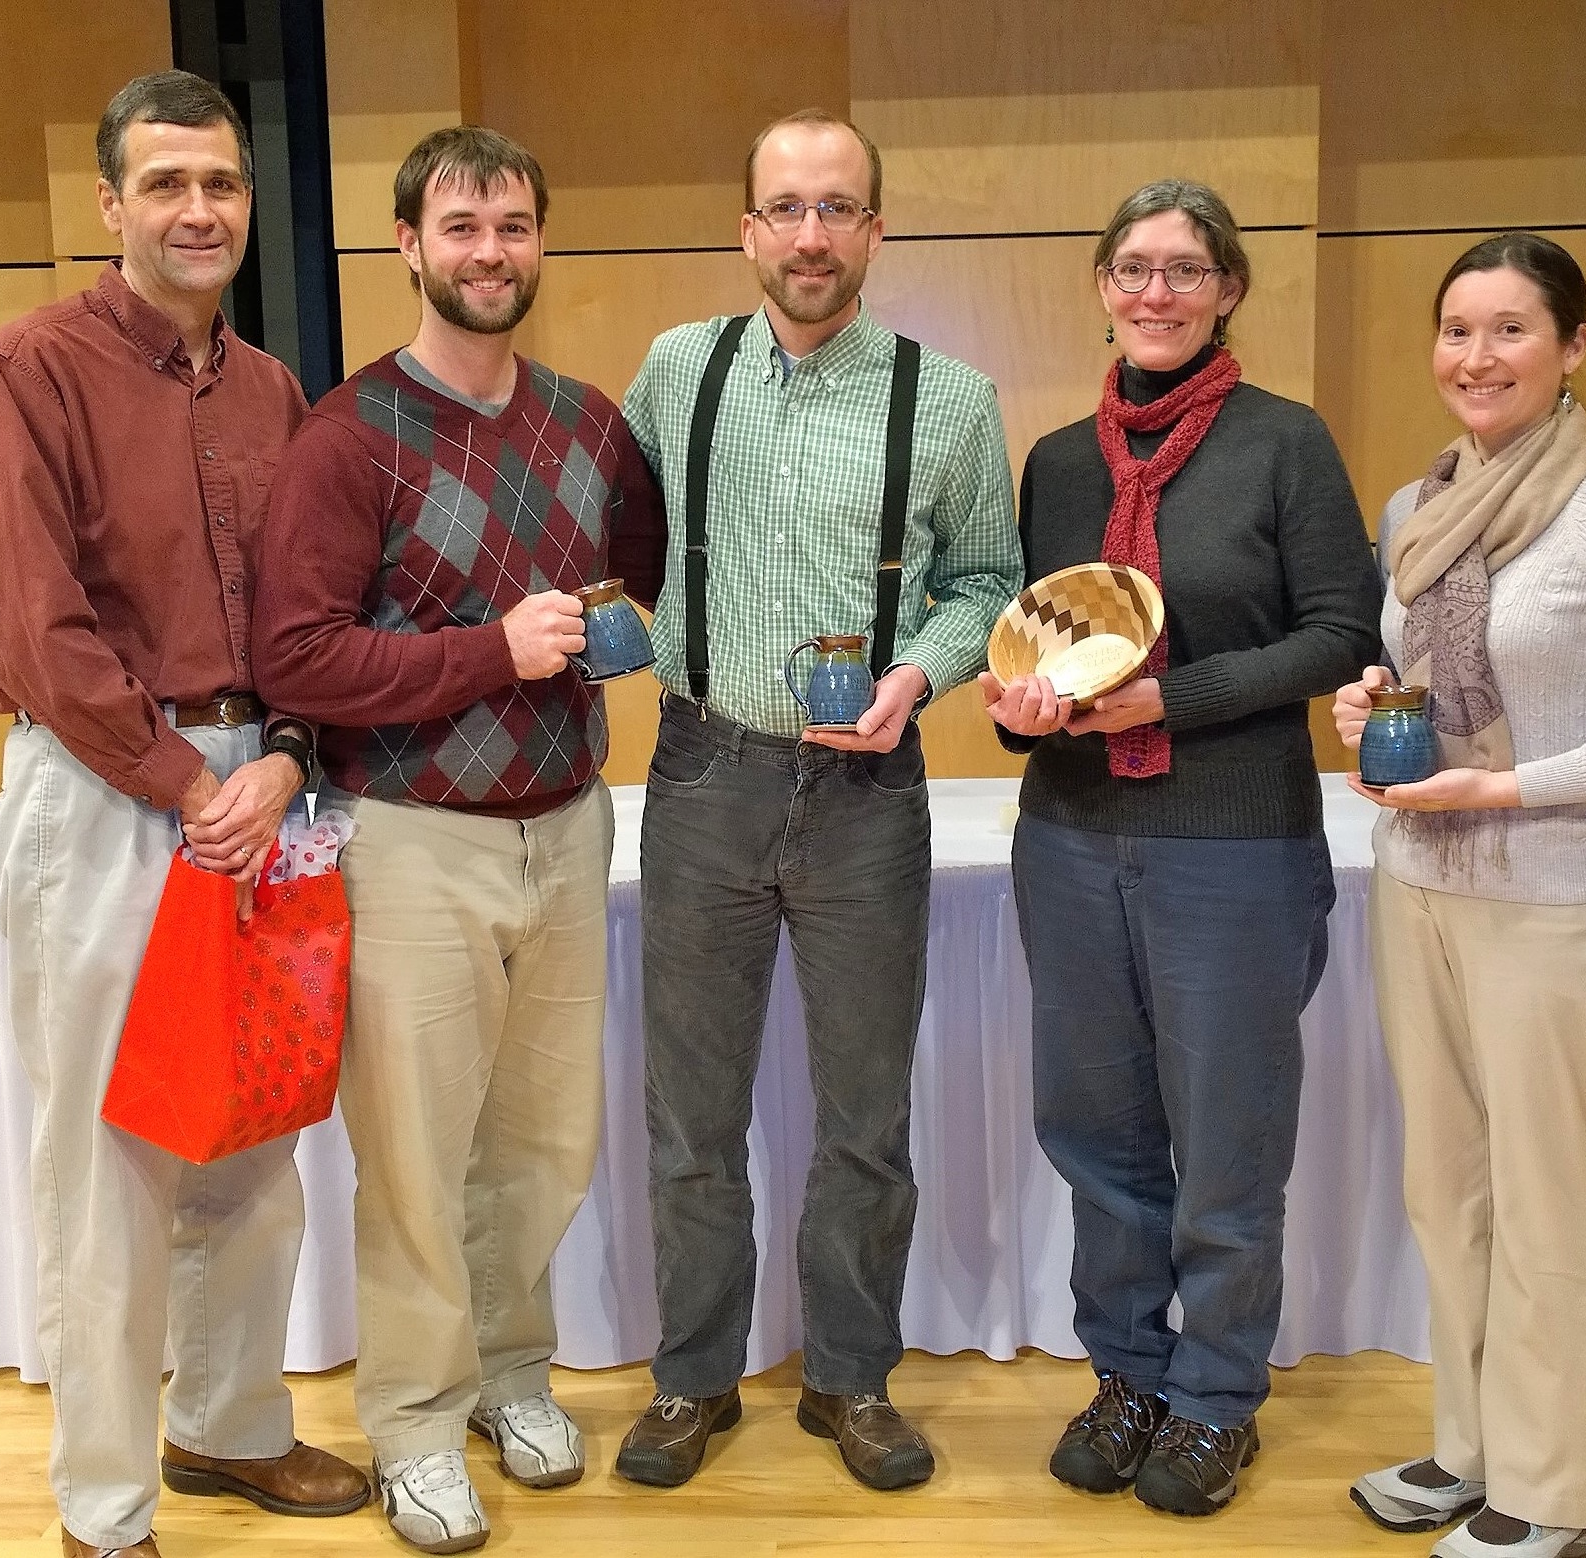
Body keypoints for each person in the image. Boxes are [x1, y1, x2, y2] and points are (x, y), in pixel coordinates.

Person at [0, 71, 369, 1558]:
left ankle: (231, 1424)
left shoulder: (273, 393)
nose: (200, 209)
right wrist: (191, 780)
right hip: (114, 796)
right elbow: (30, 622)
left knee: (257, 1132)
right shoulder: (29, 370)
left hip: (263, 792)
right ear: (112, 206)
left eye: (223, 184)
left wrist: (290, 753)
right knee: (113, 1162)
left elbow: (321, 606)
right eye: (168, 183)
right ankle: (104, 1504)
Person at [250, 126, 664, 1553]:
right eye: (460, 227)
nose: (489, 251)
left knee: (543, 1139)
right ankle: (416, 1423)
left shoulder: (590, 422)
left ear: (539, 242)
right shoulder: (347, 435)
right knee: (419, 1158)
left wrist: (586, 645)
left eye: (512, 225)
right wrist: (493, 650)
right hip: (411, 838)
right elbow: (297, 659)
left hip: (568, 824)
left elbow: (630, 584)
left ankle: (509, 1374)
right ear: (409, 249)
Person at [609, 108, 1020, 1493]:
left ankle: (848, 1376)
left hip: (866, 792)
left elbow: (985, 582)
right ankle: (691, 1378)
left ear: (874, 230)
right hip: (703, 771)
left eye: (836, 208)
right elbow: (614, 540)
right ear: (746, 230)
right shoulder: (674, 373)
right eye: (783, 208)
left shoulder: (948, 398)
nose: (808, 234)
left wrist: (918, 674)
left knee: (863, 1118)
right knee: (689, 1115)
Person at [979, 178, 1383, 1518]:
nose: (1156, 292)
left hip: (1230, 841)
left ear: (1226, 293)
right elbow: (1043, 649)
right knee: (1094, 1132)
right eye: (1133, 268)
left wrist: (1176, 697)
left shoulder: (1283, 443)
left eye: (1184, 270)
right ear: (1100, 285)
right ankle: (1128, 1373)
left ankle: (1213, 1394)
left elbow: (1339, 633)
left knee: (1223, 1139)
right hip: (1074, 838)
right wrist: (1019, 712)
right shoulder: (1054, 462)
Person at [1332, 233, 1586, 1558]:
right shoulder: (1416, 504)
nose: (1476, 356)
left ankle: (1555, 1491)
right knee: (1443, 1189)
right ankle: (1472, 1444)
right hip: (1418, 885)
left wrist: (1507, 791)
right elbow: (1417, 677)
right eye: (1456, 329)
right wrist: (1361, 700)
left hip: (1549, 901)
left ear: (1570, 350)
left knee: (1545, 1198)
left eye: (1510, 330)